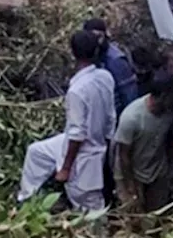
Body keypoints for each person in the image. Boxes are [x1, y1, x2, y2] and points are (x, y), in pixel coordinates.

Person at [17, 30, 117, 211]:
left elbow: (77, 134)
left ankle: (97, 232)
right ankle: (26, 200)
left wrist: (65, 168)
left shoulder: (77, 91)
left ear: (73, 53)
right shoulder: (106, 77)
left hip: (83, 154)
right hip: (91, 141)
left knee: (88, 204)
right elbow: (111, 116)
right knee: (36, 152)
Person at [112, 70, 173, 219]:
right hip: (132, 173)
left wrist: (171, 168)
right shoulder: (131, 118)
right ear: (164, 96)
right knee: (134, 218)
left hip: (157, 170)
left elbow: (172, 139)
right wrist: (131, 188)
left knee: (156, 216)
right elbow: (124, 155)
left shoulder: (171, 112)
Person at [83, 17, 140, 115]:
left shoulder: (115, 60)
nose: (96, 41)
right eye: (91, 38)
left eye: (99, 37)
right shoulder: (92, 56)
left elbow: (129, 96)